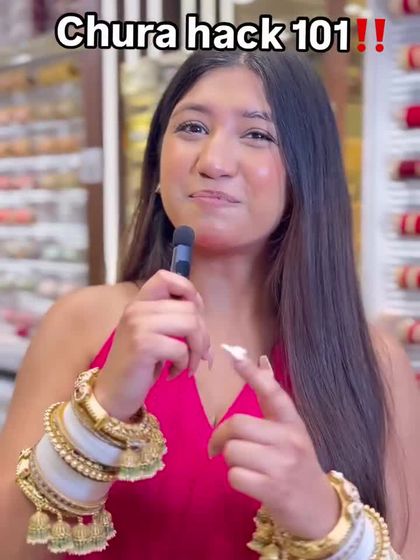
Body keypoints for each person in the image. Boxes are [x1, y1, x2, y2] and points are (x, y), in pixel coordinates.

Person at [0, 49, 419, 560]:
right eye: (193, 128)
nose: (214, 162)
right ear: (158, 162)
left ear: (306, 172)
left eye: (257, 135)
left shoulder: (373, 363)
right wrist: (101, 411)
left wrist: (326, 524)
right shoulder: (82, 325)